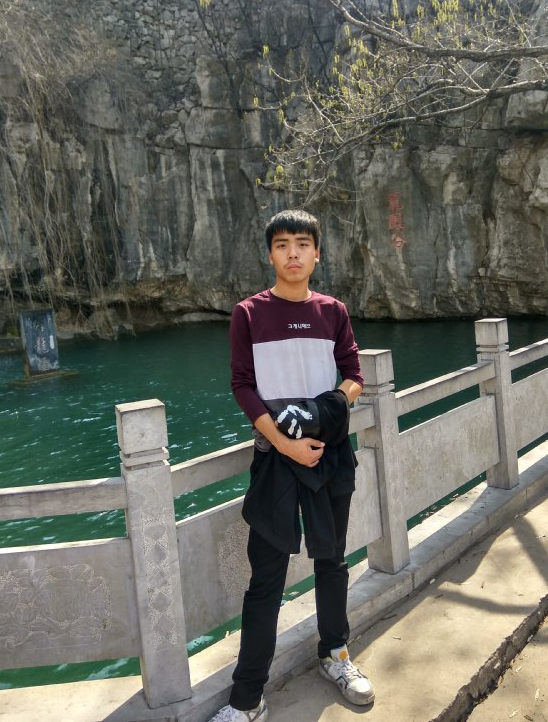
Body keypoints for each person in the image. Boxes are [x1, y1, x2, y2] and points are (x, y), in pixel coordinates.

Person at [209, 209, 375, 722]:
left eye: (303, 244)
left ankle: (336, 654)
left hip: (329, 454)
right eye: (282, 245)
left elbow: (354, 375)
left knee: (332, 561)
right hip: (276, 460)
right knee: (267, 577)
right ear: (270, 254)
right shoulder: (249, 314)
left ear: (317, 253)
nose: (293, 253)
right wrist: (283, 443)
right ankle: (248, 697)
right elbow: (242, 384)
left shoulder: (333, 312)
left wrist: (324, 410)